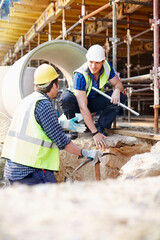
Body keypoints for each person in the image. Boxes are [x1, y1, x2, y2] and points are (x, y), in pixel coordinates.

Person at [2, 64, 102, 185]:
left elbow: (36, 124)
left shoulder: (29, 100)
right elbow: (61, 141)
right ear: (54, 85)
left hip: (13, 169)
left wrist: (62, 124)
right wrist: (86, 153)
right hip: (31, 170)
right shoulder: (44, 104)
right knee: (52, 200)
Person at [59, 44, 126, 150]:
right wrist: (95, 134)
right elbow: (82, 106)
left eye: (97, 62)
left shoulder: (107, 67)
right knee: (66, 98)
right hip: (77, 103)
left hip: (93, 100)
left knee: (121, 97)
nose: (93, 66)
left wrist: (117, 90)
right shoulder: (80, 75)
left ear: (103, 61)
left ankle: (101, 126)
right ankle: (74, 127)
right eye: (91, 62)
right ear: (87, 60)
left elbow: (118, 84)